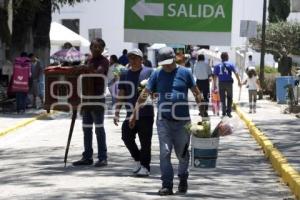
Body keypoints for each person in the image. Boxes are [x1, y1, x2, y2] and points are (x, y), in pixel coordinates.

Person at [129, 47, 202, 195]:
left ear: (174, 59)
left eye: (168, 62)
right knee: (165, 152)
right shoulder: (157, 73)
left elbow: (196, 91)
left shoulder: (185, 72)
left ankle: (183, 179)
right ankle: (167, 185)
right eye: (163, 63)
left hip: (182, 121)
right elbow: (145, 93)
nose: (166, 66)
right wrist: (134, 112)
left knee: (182, 153)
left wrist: (203, 110)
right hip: (164, 121)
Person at [114, 48, 154, 177]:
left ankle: (145, 166)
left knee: (145, 141)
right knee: (126, 136)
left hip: (146, 113)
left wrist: (154, 95)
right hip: (129, 112)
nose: (133, 60)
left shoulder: (149, 72)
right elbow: (121, 93)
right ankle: (138, 159)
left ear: (141, 59)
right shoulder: (124, 74)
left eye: (136, 57)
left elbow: (155, 91)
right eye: (131, 58)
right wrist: (117, 111)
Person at [72, 38, 109, 167]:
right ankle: (87, 156)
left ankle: (102, 157)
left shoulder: (104, 61)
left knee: (99, 128)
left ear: (103, 49)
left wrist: (85, 68)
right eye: (94, 47)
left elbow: (98, 73)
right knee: (86, 128)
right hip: (86, 98)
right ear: (91, 48)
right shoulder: (89, 60)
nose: (97, 49)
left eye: (99, 47)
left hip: (98, 98)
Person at [213, 52, 241, 118]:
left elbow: (215, 76)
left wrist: (214, 85)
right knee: (229, 97)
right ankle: (229, 112)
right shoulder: (231, 64)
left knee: (222, 98)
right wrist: (239, 81)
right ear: (226, 57)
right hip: (229, 83)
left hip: (221, 83)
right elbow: (236, 73)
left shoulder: (217, 66)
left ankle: (223, 112)